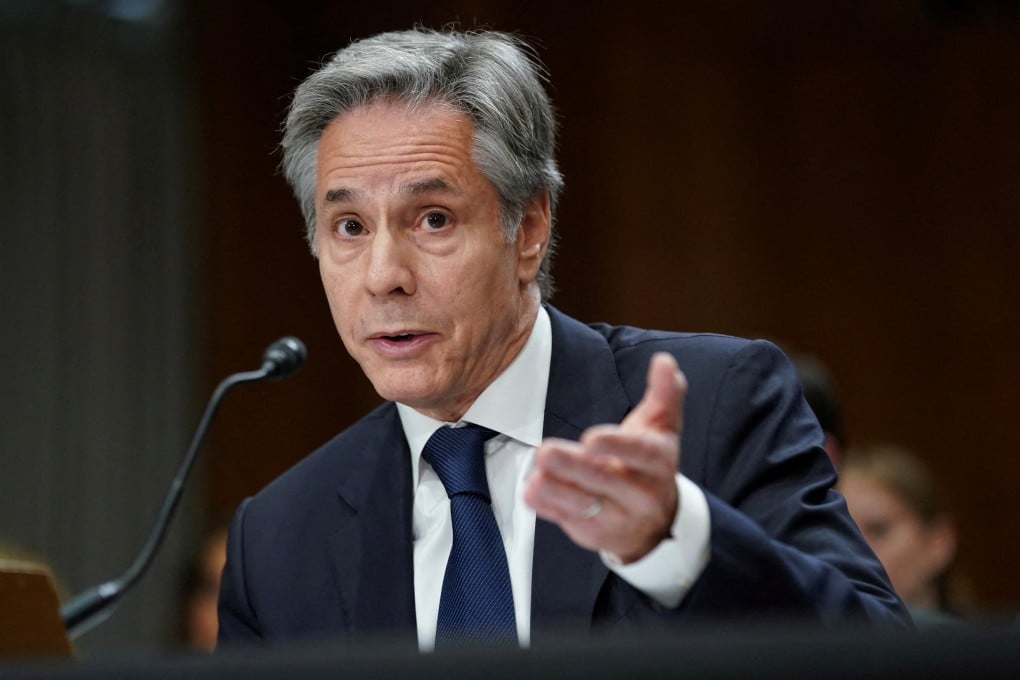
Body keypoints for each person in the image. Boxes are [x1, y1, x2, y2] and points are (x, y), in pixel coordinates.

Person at [217, 27, 909, 651]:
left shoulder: (718, 407)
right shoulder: (278, 541)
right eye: (349, 228)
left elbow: (883, 659)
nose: (383, 277)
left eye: (432, 219)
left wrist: (673, 541)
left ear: (529, 229)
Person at [838, 444, 966, 627]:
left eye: (878, 530)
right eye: (842, 531)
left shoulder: (987, 645)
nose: (853, 551)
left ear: (938, 542)